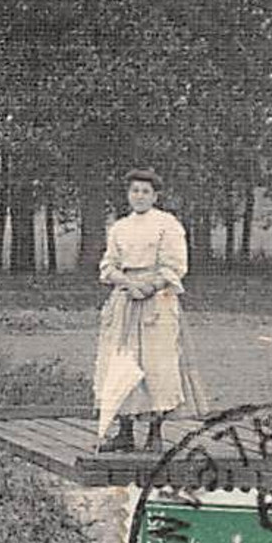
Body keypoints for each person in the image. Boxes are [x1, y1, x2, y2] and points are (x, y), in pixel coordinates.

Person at [93, 167, 208, 453]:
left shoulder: (167, 225)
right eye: (134, 191)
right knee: (121, 362)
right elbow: (108, 265)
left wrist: (149, 286)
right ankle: (125, 430)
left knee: (157, 365)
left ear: (155, 195)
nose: (140, 196)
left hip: (157, 303)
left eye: (146, 191)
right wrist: (126, 282)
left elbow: (176, 266)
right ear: (128, 195)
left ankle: (155, 432)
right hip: (125, 301)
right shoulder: (119, 227)